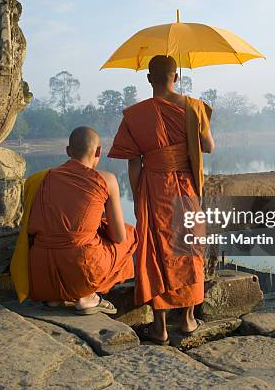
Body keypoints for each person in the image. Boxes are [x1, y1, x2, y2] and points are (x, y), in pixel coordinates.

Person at [108, 55, 215, 344]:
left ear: (148, 78)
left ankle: (160, 327)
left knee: (157, 251)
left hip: (154, 188)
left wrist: (140, 196)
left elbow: (133, 164)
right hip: (187, 187)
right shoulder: (193, 107)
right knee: (189, 248)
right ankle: (189, 319)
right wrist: (195, 127)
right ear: (176, 77)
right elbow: (208, 147)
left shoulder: (134, 115)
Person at [24, 126, 137, 314]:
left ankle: (54, 298)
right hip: (81, 270)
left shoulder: (41, 179)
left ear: (68, 151)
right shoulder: (106, 179)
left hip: (40, 272)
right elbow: (118, 236)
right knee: (130, 234)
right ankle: (87, 297)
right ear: (99, 151)